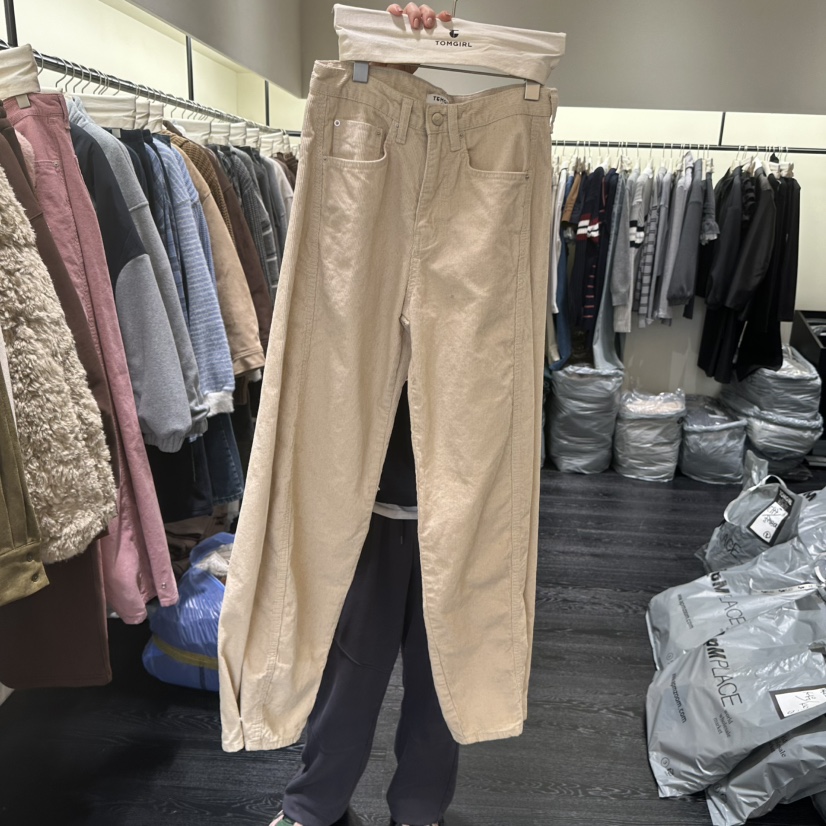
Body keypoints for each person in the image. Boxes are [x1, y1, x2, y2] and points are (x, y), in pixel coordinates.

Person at [268, 8, 461, 826]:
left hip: (455, 495)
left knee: (446, 672)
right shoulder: (350, 202)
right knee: (351, 664)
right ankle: (315, 804)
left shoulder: (475, 194)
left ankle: (417, 809)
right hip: (371, 496)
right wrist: (387, 71)